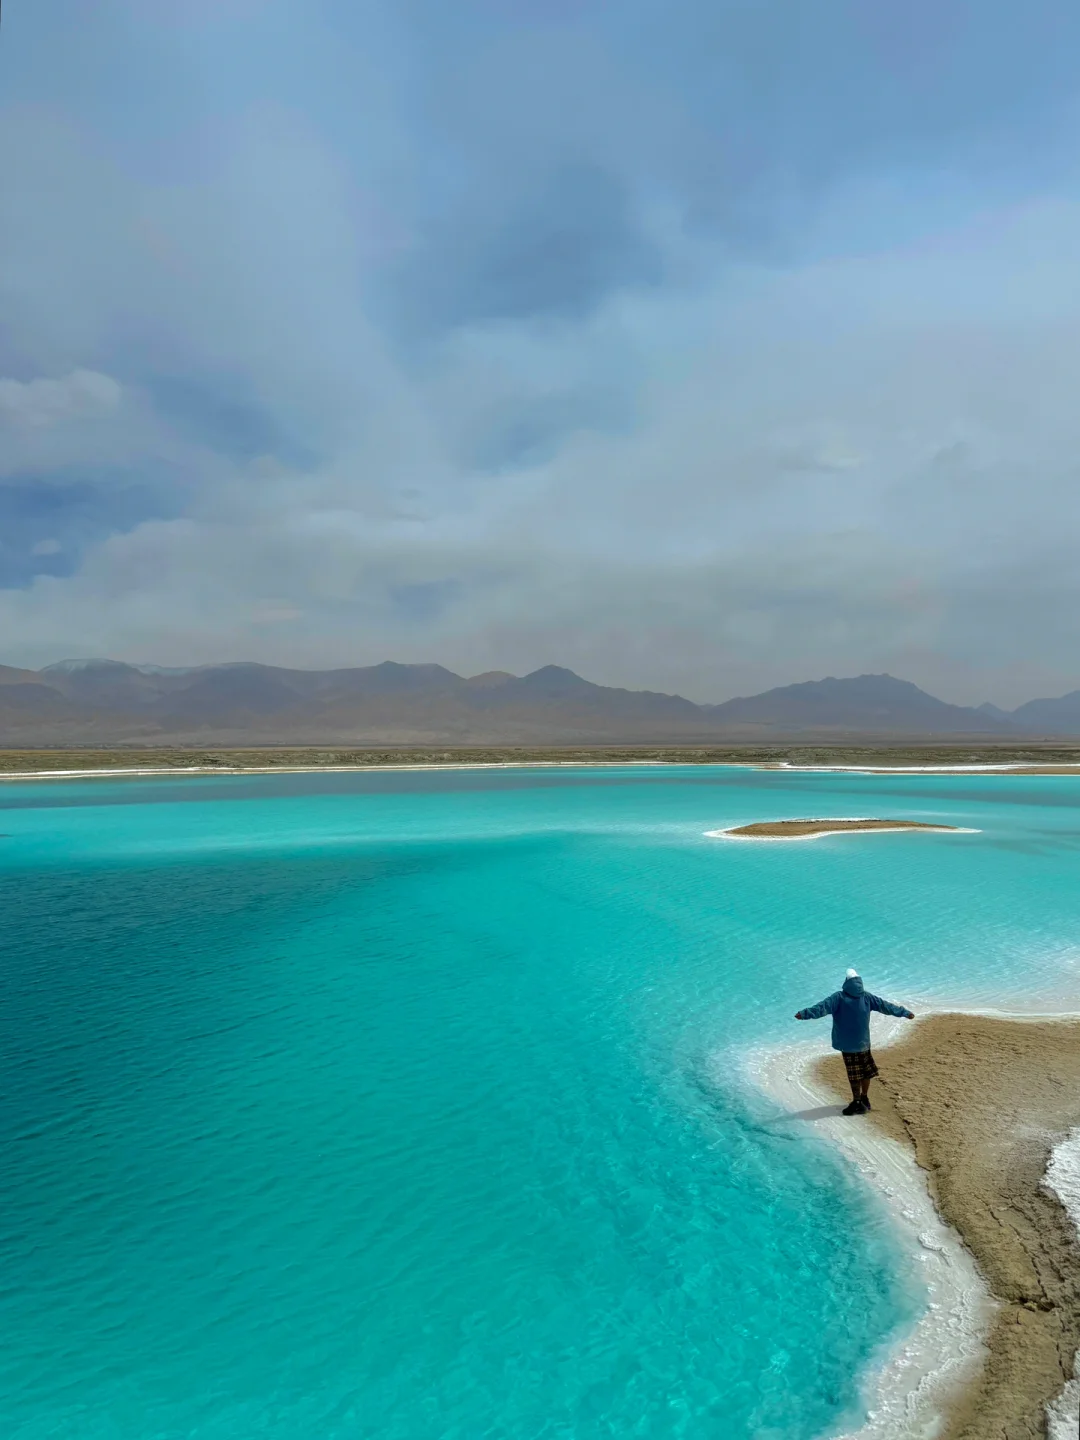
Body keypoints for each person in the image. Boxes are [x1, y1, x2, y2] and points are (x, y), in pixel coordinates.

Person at [795, 970, 915, 1115]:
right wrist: (905, 1012)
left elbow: (822, 1008)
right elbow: (886, 1006)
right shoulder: (867, 997)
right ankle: (864, 1098)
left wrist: (804, 1014)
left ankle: (856, 1102)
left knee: (854, 1074)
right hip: (863, 1042)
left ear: (846, 982)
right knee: (865, 1072)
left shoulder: (838, 997)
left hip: (847, 1044)